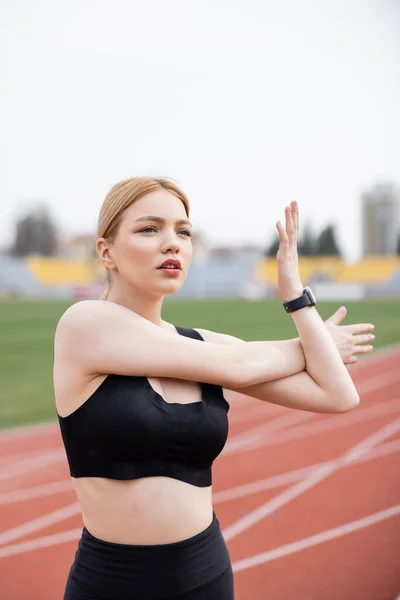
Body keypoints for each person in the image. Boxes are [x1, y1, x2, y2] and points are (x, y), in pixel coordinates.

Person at [54, 177, 375, 600]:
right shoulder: (83, 325)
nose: (172, 243)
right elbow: (241, 367)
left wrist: (295, 296)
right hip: (112, 582)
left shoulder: (206, 346)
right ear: (106, 251)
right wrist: (315, 343)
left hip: (206, 575)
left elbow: (338, 395)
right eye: (149, 229)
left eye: (183, 232)